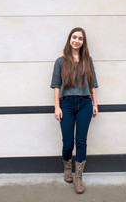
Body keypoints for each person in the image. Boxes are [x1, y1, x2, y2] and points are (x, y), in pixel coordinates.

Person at [50, 27, 99, 194]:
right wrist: (57, 106)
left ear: (83, 42)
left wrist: (95, 103)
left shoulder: (88, 60)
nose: (77, 40)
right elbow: (56, 85)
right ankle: (67, 167)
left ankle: (78, 177)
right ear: (69, 39)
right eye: (74, 37)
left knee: (81, 142)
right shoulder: (60, 61)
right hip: (67, 105)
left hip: (85, 104)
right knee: (68, 142)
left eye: (80, 38)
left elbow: (92, 83)